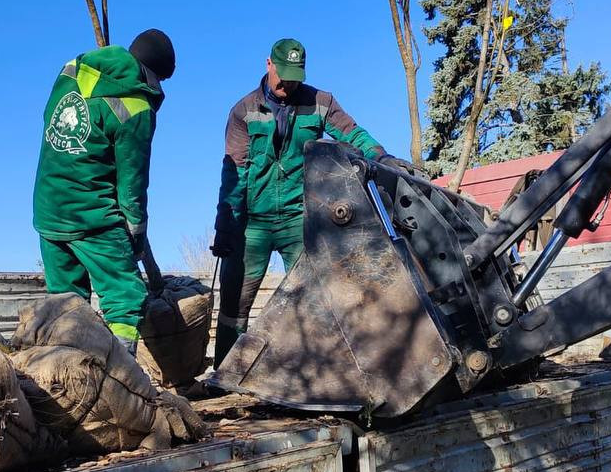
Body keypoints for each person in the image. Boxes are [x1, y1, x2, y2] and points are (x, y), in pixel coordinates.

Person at [210, 37, 413, 364]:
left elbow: (352, 133)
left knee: (314, 299)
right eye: (282, 75)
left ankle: (317, 371)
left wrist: (381, 156)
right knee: (235, 303)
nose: (287, 84)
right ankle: (223, 374)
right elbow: (234, 171)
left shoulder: (320, 102)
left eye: (295, 77)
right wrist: (226, 225)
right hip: (253, 223)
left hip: (298, 218)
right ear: (269, 64)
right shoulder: (244, 111)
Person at [32, 29, 175, 353]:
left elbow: (48, 120)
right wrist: (136, 234)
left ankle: (67, 370)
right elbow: (132, 184)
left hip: (48, 209)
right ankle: (124, 374)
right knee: (126, 296)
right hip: (92, 215)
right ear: (154, 75)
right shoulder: (136, 108)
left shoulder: (71, 72)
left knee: (65, 305)